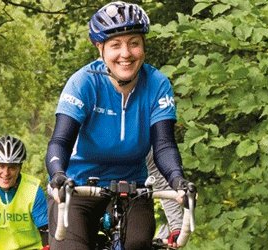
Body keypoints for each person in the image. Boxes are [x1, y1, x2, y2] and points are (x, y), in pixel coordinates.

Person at [45, 1, 194, 249]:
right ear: (99, 48)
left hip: (132, 187)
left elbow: (164, 146)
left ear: (143, 46)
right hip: (79, 186)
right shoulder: (83, 83)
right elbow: (60, 141)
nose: (126, 54)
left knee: (138, 244)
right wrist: (58, 175)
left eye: (134, 43)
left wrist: (178, 181)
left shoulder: (157, 84)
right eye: (115, 45)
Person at [147, 150, 183, 248]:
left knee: (139, 241)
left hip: (138, 202)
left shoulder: (143, 145)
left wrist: (176, 227)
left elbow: (164, 186)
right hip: (103, 197)